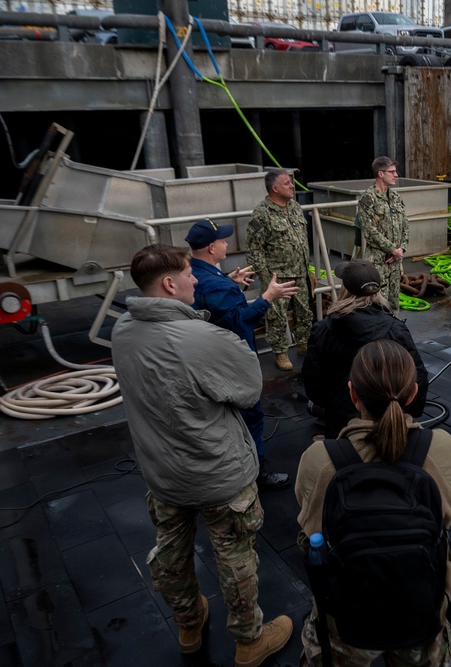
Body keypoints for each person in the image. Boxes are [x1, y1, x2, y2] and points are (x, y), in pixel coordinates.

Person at [111, 244, 293, 665]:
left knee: (171, 552)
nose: (197, 280)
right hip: (218, 473)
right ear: (170, 284)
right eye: (190, 274)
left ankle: (189, 624)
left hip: (163, 472)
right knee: (235, 558)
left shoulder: (124, 329)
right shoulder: (200, 337)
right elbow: (247, 390)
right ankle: (249, 642)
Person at [294, 340, 451, 666]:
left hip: (346, 617)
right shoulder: (441, 448)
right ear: (413, 394)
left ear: (352, 393)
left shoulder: (321, 460)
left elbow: (310, 528)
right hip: (421, 609)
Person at [186, 218, 299, 490]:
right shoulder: (214, 284)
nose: (227, 244)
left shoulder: (195, 273)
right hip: (230, 358)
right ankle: (255, 470)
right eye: (223, 241)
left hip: (209, 356)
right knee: (250, 414)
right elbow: (239, 320)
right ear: (212, 248)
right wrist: (267, 298)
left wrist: (229, 281)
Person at [302, 259, 428, 438]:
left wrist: (331, 405)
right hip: (389, 420)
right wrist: (405, 412)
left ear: (345, 289)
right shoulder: (396, 330)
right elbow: (418, 376)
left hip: (341, 422)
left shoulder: (323, 329)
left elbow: (313, 378)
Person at [248, 169, 313, 371]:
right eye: (287, 184)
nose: (292, 186)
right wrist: (267, 279)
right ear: (275, 188)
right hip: (278, 276)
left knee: (304, 311)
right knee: (276, 316)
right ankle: (280, 352)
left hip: (300, 271)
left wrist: (307, 268)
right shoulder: (262, 213)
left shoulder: (294, 206)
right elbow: (254, 248)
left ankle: (303, 344)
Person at [358, 156, 409, 309]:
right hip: (378, 262)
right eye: (392, 172)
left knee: (394, 304)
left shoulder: (395, 197)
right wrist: (392, 249)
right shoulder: (368, 199)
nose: (396, 175)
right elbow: (370, 231)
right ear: (381, 174)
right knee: (378, 303)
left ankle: (393, 331)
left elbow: (405, 225)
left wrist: (401, 249)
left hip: (395, 262)